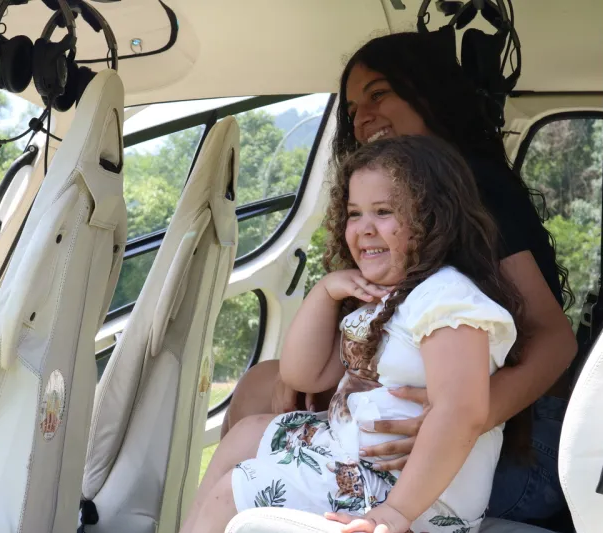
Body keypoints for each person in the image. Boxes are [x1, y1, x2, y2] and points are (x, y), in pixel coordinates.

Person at [222, 31, 578, 526]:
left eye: (379, 94)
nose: (363, 117)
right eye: (351, 110)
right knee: (265, 383)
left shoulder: (475, 194)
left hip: (517, 437)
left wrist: (461, 419)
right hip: (409, 420)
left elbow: (556, 341)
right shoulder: (382, 232)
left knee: (253, 442)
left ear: (428, 92)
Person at [182, 135, 527, 533]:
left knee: (232, 493)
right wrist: (325, 291)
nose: (363, 228)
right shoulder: (386, 298)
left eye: (383, 212)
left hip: (411, 493)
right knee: (245, 435)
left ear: (434, 219)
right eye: (354, 214)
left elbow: (461, 412)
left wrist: (397, 512)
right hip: (354, 459)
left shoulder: (447, 299)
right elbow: (303, 376)